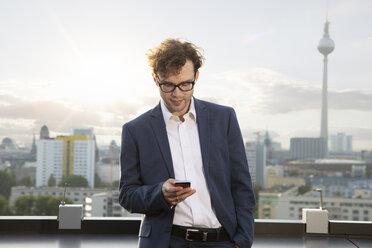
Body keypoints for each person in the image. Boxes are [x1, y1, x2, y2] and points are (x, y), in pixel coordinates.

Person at [119, 38, 255, 248]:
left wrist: (242, 241)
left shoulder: (224, 118)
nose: (177, 93)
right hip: (166, 242)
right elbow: (127, 195)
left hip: (222, 241)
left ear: (196, 77)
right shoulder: (135, 130)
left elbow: (241, 185)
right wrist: (160, 194)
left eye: (185, 84)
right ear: (155, 79)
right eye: (168, 85)